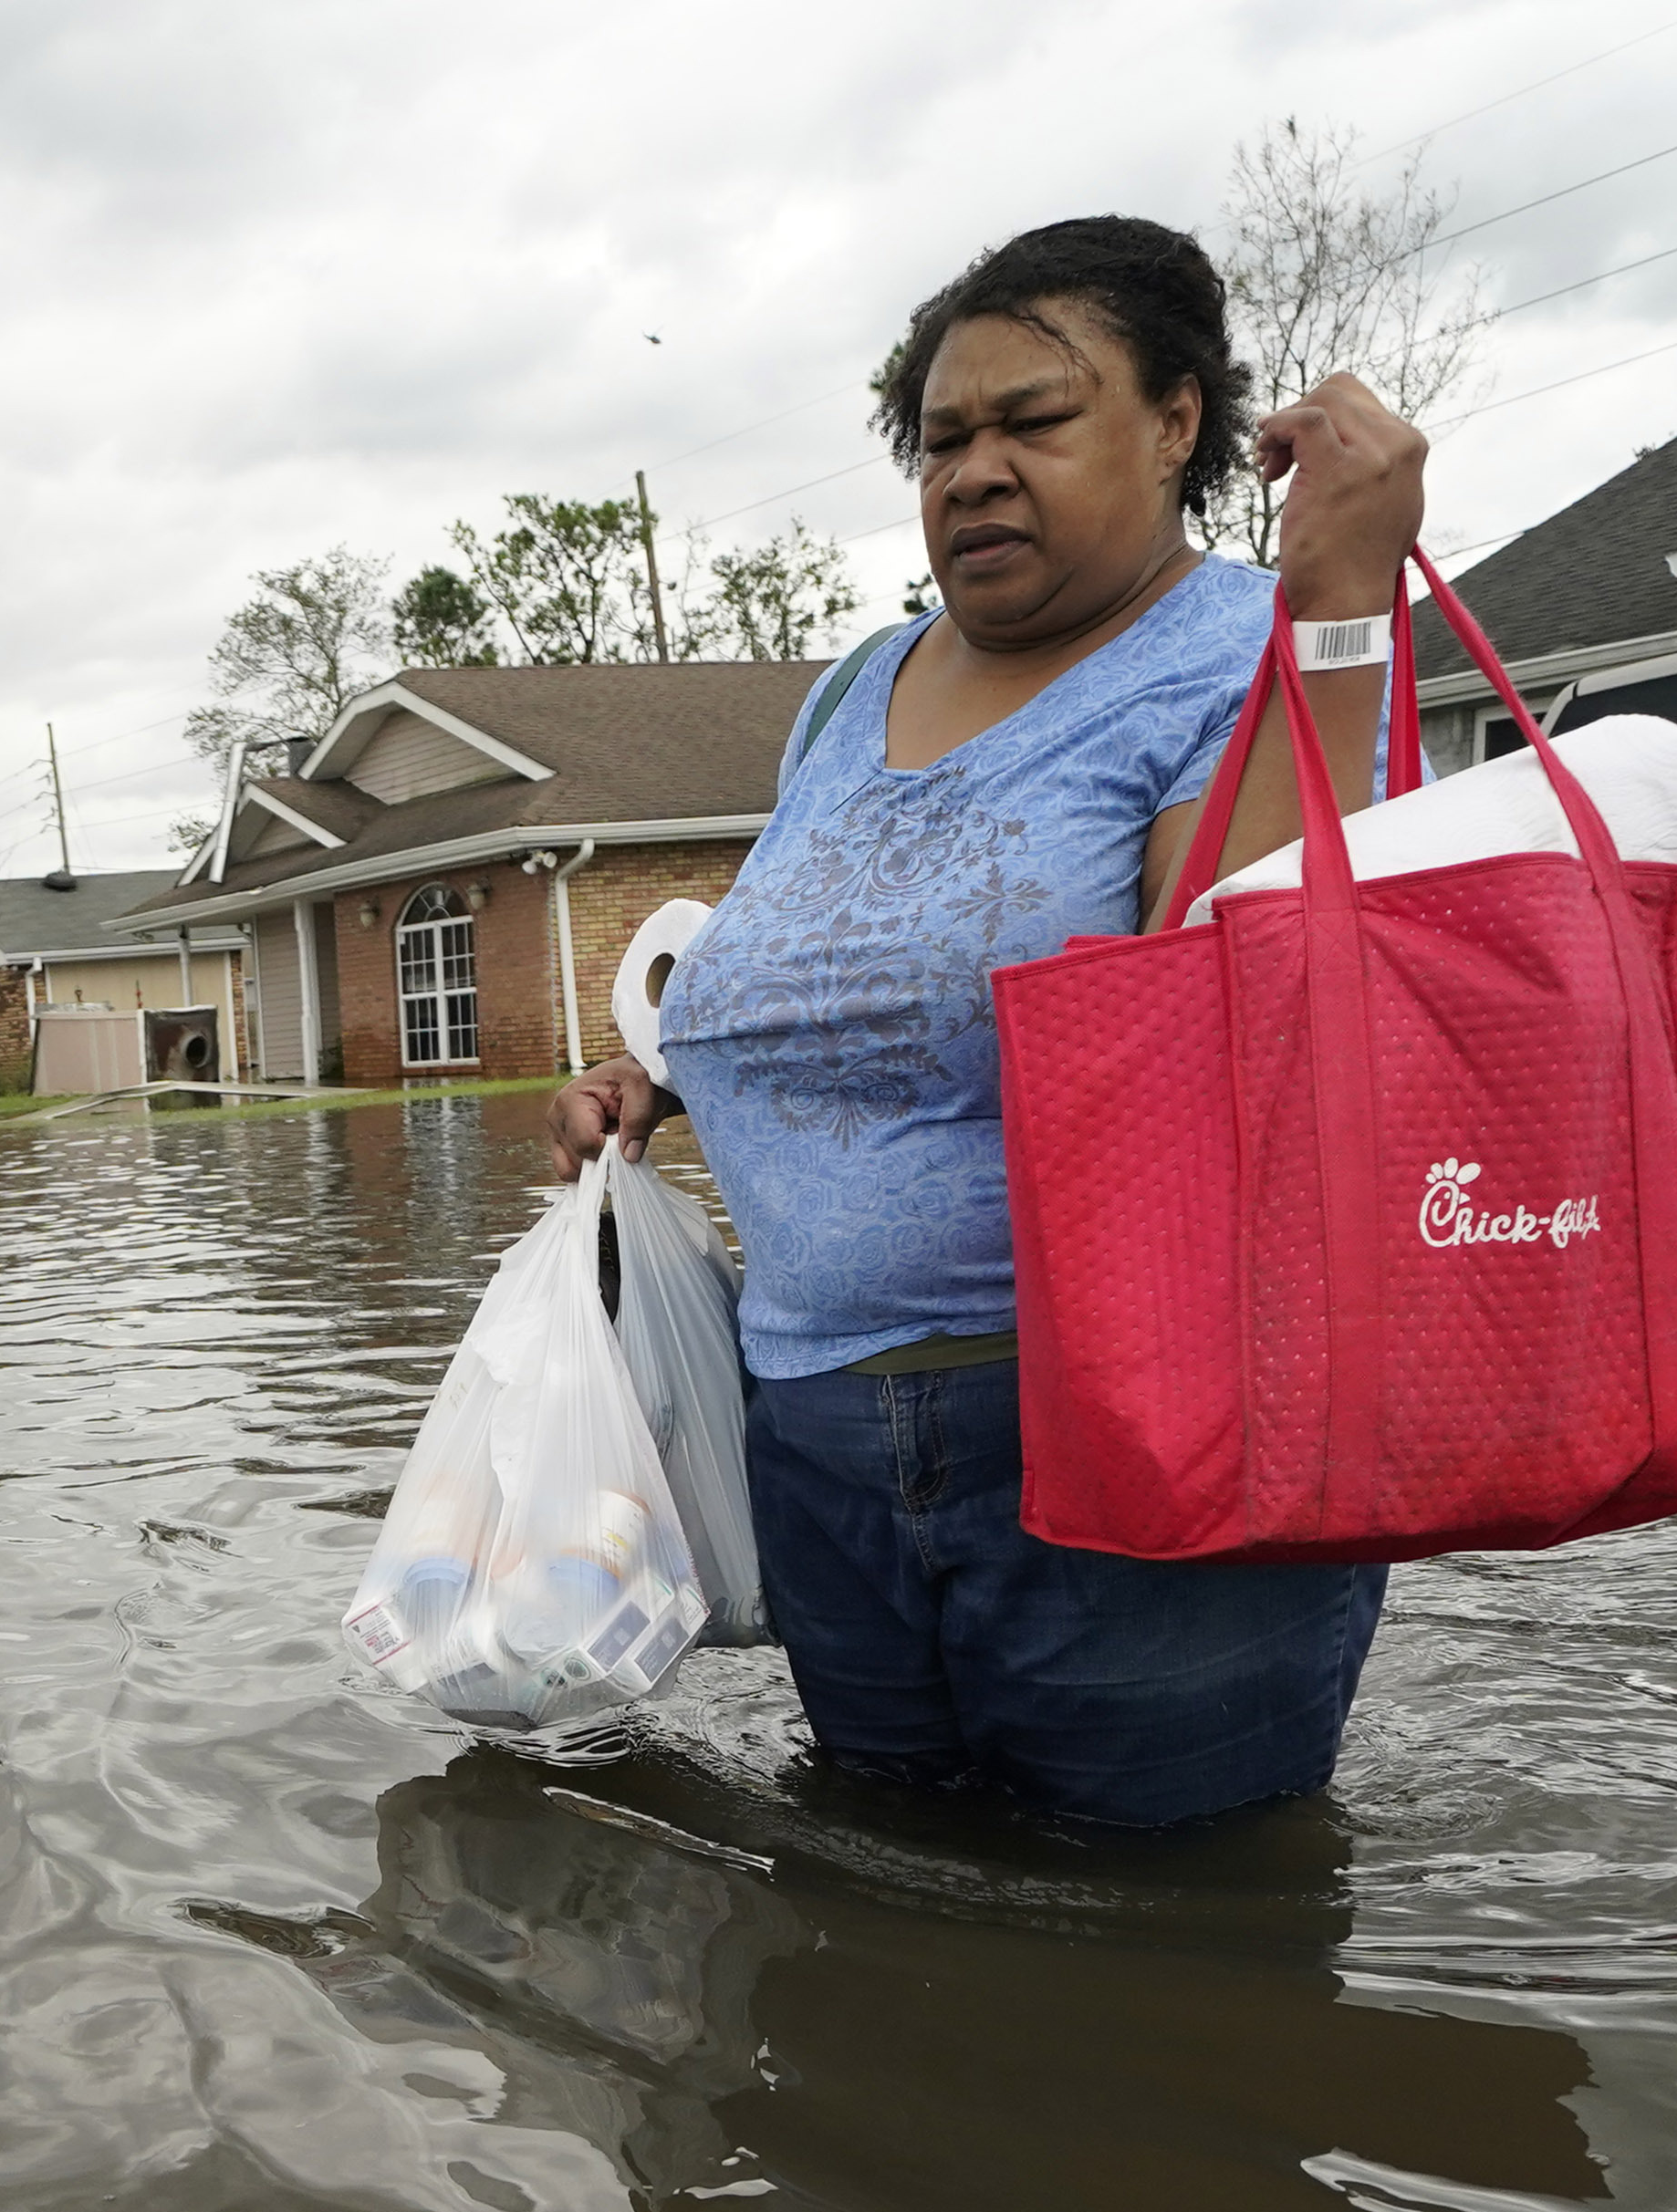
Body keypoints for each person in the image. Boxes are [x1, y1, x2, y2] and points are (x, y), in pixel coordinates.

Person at [547, 215, 1428, 1827]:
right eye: (944, 439)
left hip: (1126, 1435)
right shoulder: (856, 686)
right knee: (885, 1891)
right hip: (817, 1440)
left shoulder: (1245, 651)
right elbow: (805, 970)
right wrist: (656, 1082)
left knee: (1169, 1940)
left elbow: (1252, 1006)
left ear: (1178, 425)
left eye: (1035, 420)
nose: (974, 471)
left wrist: (1345, 609)